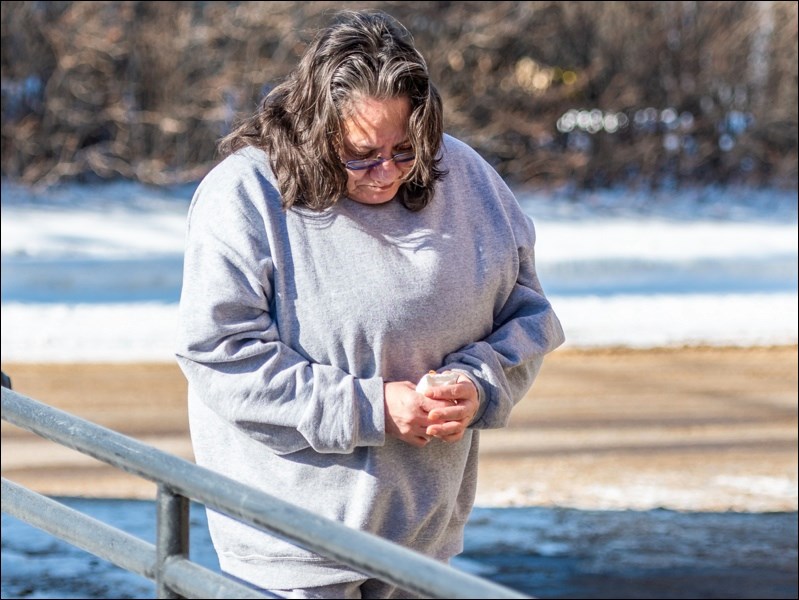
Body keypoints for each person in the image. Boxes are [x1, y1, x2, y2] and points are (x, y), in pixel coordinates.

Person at [175, 8, 564, 599]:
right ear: (314, 125)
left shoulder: (467, 178)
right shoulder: (246, 194)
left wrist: (478, 385)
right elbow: (219, 356)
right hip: (290, 551)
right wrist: (371, 408)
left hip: (421, 546)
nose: (385, 173)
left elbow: (527, 317)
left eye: (405, 150)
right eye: (360, 154)